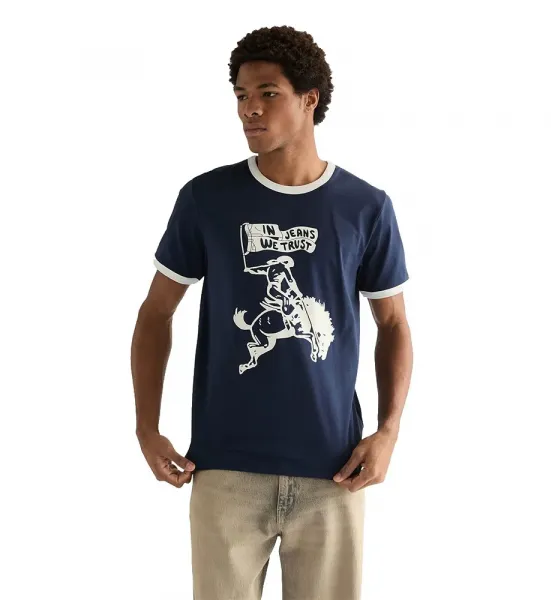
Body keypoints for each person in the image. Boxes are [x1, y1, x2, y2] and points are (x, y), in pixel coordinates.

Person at [131, 24, 413, 600]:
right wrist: (146, 426)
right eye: (241, 95)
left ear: (310, 99)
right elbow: (156, 312)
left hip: (334, 473)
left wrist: (387, 432)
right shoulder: (207, 199)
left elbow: (393, 324)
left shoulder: (365, 207)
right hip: (224, 470)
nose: (249, 109)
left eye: (267, 93)